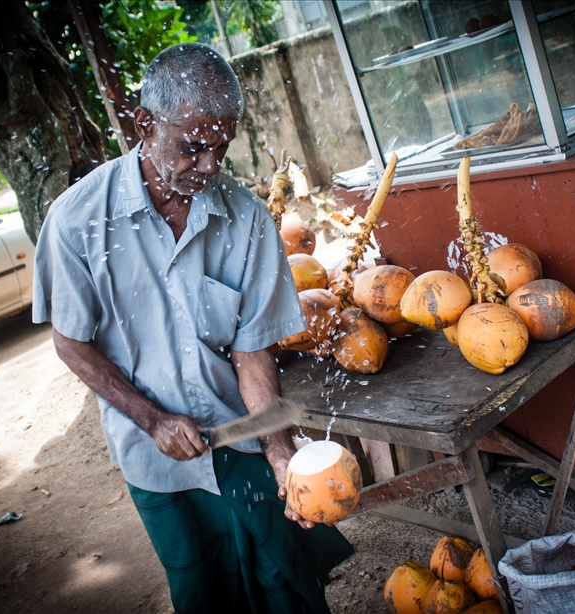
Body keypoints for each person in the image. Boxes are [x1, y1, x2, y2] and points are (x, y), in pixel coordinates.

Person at [32, 43, 352, 614]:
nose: (209, 165)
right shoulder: (77, 221)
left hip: (241, 443)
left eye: (222, 146)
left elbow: (252, 352)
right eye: (193, 146)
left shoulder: (247, 220)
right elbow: (70, 342)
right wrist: (150, 417)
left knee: (285, 583)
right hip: (156, 461)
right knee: (205, 590)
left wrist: (278, 452)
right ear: (144, 125)